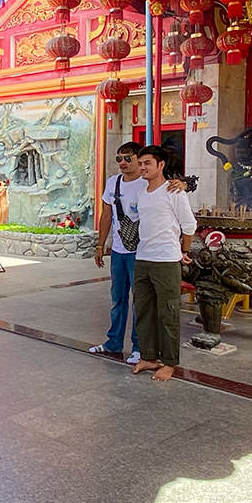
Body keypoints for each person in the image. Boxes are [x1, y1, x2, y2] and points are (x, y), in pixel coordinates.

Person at [130, 145, 197, 383]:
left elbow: (189, 226)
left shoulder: (174, 191)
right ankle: (149, 356)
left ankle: (169, 362)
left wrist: (183, 250)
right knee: (144, 310)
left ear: (161, 165)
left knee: (168, 312)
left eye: (147, 163)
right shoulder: (141, 191)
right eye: (140, 163)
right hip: (142, 258)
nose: (142, 167)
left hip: (166, 261)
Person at [91, 142, 143, 364]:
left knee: (139, 301)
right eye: (119, 158)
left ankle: (139, 347)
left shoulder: (147, 183)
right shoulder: (114, 182)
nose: (122, 163)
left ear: (139, 159)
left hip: (141, 252)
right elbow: (106, 216)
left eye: (127, 158)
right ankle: (113, 342)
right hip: (120, 251)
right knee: (117, 298)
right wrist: (101, 245)